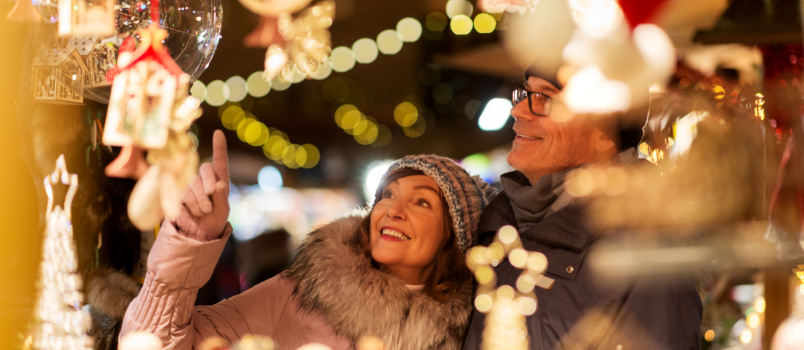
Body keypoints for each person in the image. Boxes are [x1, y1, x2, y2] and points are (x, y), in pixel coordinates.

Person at [119, 130, 497, 349]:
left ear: (455, 236)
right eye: (387, 194)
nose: (393, 209)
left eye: (421, 202)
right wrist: (190, 241)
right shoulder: (302, 293)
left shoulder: (474, 331)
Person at [461, 70, 703, 349]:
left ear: (604, 133)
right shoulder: (492, 225)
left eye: (544, 98)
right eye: (525, 93)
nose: (517, 110)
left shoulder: (645, 251)